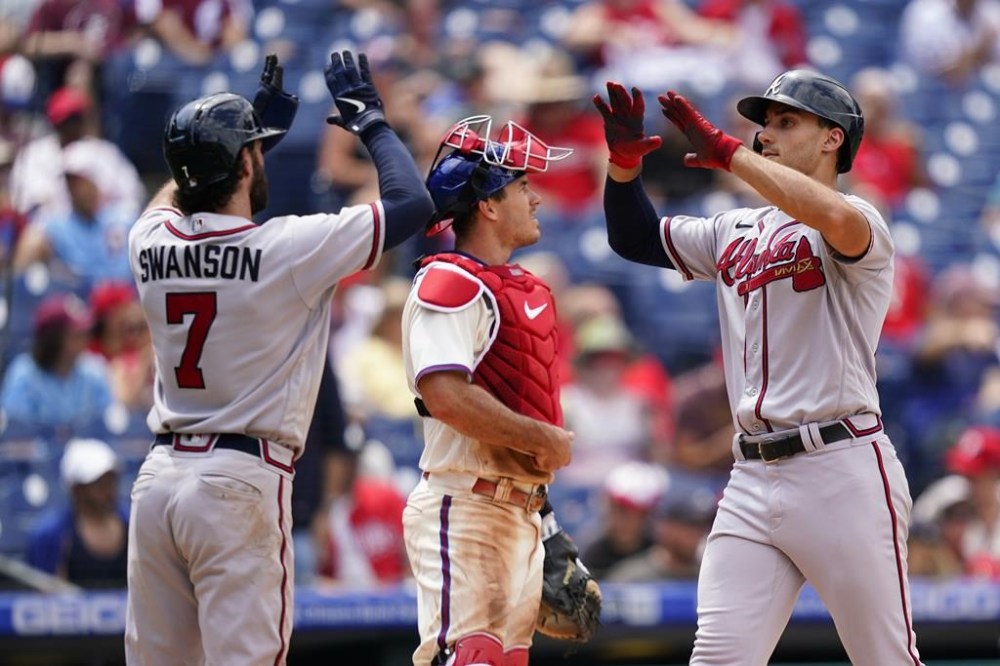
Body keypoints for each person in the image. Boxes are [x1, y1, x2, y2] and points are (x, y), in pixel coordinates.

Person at [592, 70, 922, 663]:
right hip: (749, 475)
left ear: (832, 139)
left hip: (840, 466)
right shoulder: (734, 229)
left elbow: (834, 221)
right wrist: (622, 167)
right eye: (763, 123)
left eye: (786, 122)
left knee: (886, 657)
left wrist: (730, 155)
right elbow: (635, 237)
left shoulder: (860, 218)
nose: (766, 133)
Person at [123, 51, 433, 664]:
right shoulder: (284, 248)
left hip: (159, 483)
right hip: (238, 482)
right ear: (245, 162)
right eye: (255, 149)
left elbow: (178, 193)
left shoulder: (149, 242)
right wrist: (371, 120)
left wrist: (226, 148)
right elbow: (412, 204)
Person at [400, 115, 577, 665]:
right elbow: (445, 396)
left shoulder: (518, 287)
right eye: (522, 187)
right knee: (468, 658)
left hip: (517, 508)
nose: (536, 198)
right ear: (489, 205)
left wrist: (547, 523)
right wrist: (543, 437)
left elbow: (516, 405)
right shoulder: (448, 280)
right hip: (465, 502)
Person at [27, 437, 129, 588]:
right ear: (77, 490)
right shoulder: (51, 536)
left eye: (112, 481)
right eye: (99, 484)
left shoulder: (133, 525)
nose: (109, 491)